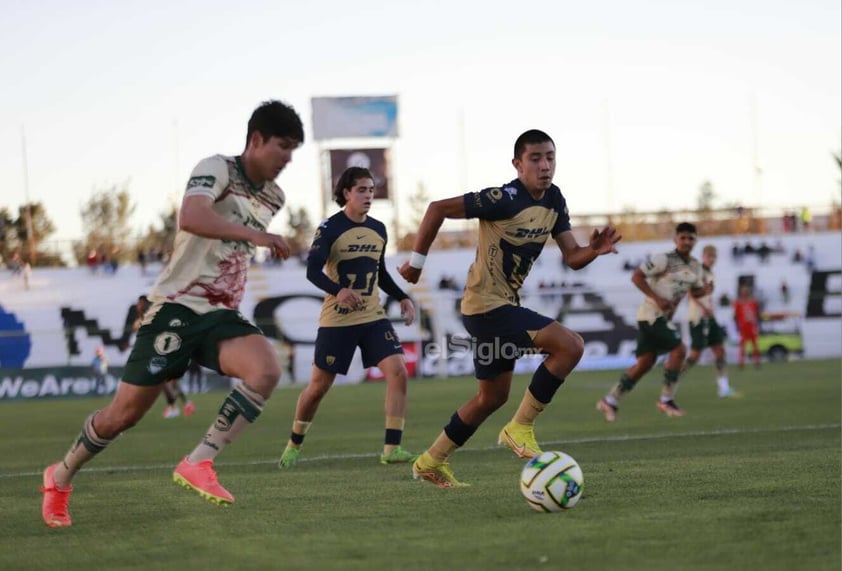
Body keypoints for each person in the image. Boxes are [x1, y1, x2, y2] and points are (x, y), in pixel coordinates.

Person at [40, 99, 304, 527]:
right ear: (256, 140)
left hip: (220, 314)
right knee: (121, 416)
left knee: (266, 370)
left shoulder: (275, 196)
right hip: (176, 307)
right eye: (283, 146)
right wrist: (256, 235)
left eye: (294, 149)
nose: (288, 158)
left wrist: (255, 239)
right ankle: (61, 475)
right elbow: (192, 216)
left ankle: (198, 462)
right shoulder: (217, 167)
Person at [398, 129, 621, 488]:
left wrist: (593, 250)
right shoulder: (502, 198)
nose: (545, 165)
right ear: (518, 164)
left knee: (492, 396)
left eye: (550, 157)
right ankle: (521, 428)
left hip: (498, 306)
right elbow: (437, 208)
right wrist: (416, 263)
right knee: (571, 345)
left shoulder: (555, 200)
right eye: (535, 158)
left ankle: (430, 460)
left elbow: (572, 257)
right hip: (485, 307)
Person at [278, 167, 418, 469]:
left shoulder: (379, 229)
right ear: (346, 193)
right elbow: (312, 271)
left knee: (398, 371)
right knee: (318, 388)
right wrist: (338, 290)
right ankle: (294, 443)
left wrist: (403, 296)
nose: (369, 195)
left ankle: (392, 447)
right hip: (337, 321)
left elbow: (378, 274)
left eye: (371, 189)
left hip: (372, 317)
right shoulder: (330, 228)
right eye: (362, 190)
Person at [596, 222, 706, 422]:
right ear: (675, 239)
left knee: (645, 363)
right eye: (683, 237)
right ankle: (666, 399)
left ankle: (610, 400)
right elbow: (637, 277)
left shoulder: (696, 267)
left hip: (662, 319)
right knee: (680, 350)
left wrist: (706, 290)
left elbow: (696, 291)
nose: (686, 241)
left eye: (691, 238)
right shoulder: (664, 259)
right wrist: (658, 299)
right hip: (650, 316)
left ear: (695, 241)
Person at [682, 245, 737, 398]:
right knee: (694, 356)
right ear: (703, 256)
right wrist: (703, 308)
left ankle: (724, 387)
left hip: (710, 318)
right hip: (697, 318)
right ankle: (672, 377)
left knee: (720, 351)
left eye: (714, 257)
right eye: (709, 256)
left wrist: (710, 306)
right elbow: (691, 295)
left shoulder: (711, 273)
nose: (712, 259)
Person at [733, 285, 761, 368]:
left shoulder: (753, 302)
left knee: (755, 345)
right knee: (742, 345)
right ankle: (741, 362)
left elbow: (757, 313)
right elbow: (735, 316)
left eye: (746, 291)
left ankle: (756, 361)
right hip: (743, 327)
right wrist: (737, 326)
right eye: (743, 291)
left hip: (752, 326)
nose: (745, 293)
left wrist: (757, 323)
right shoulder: (738, 303)